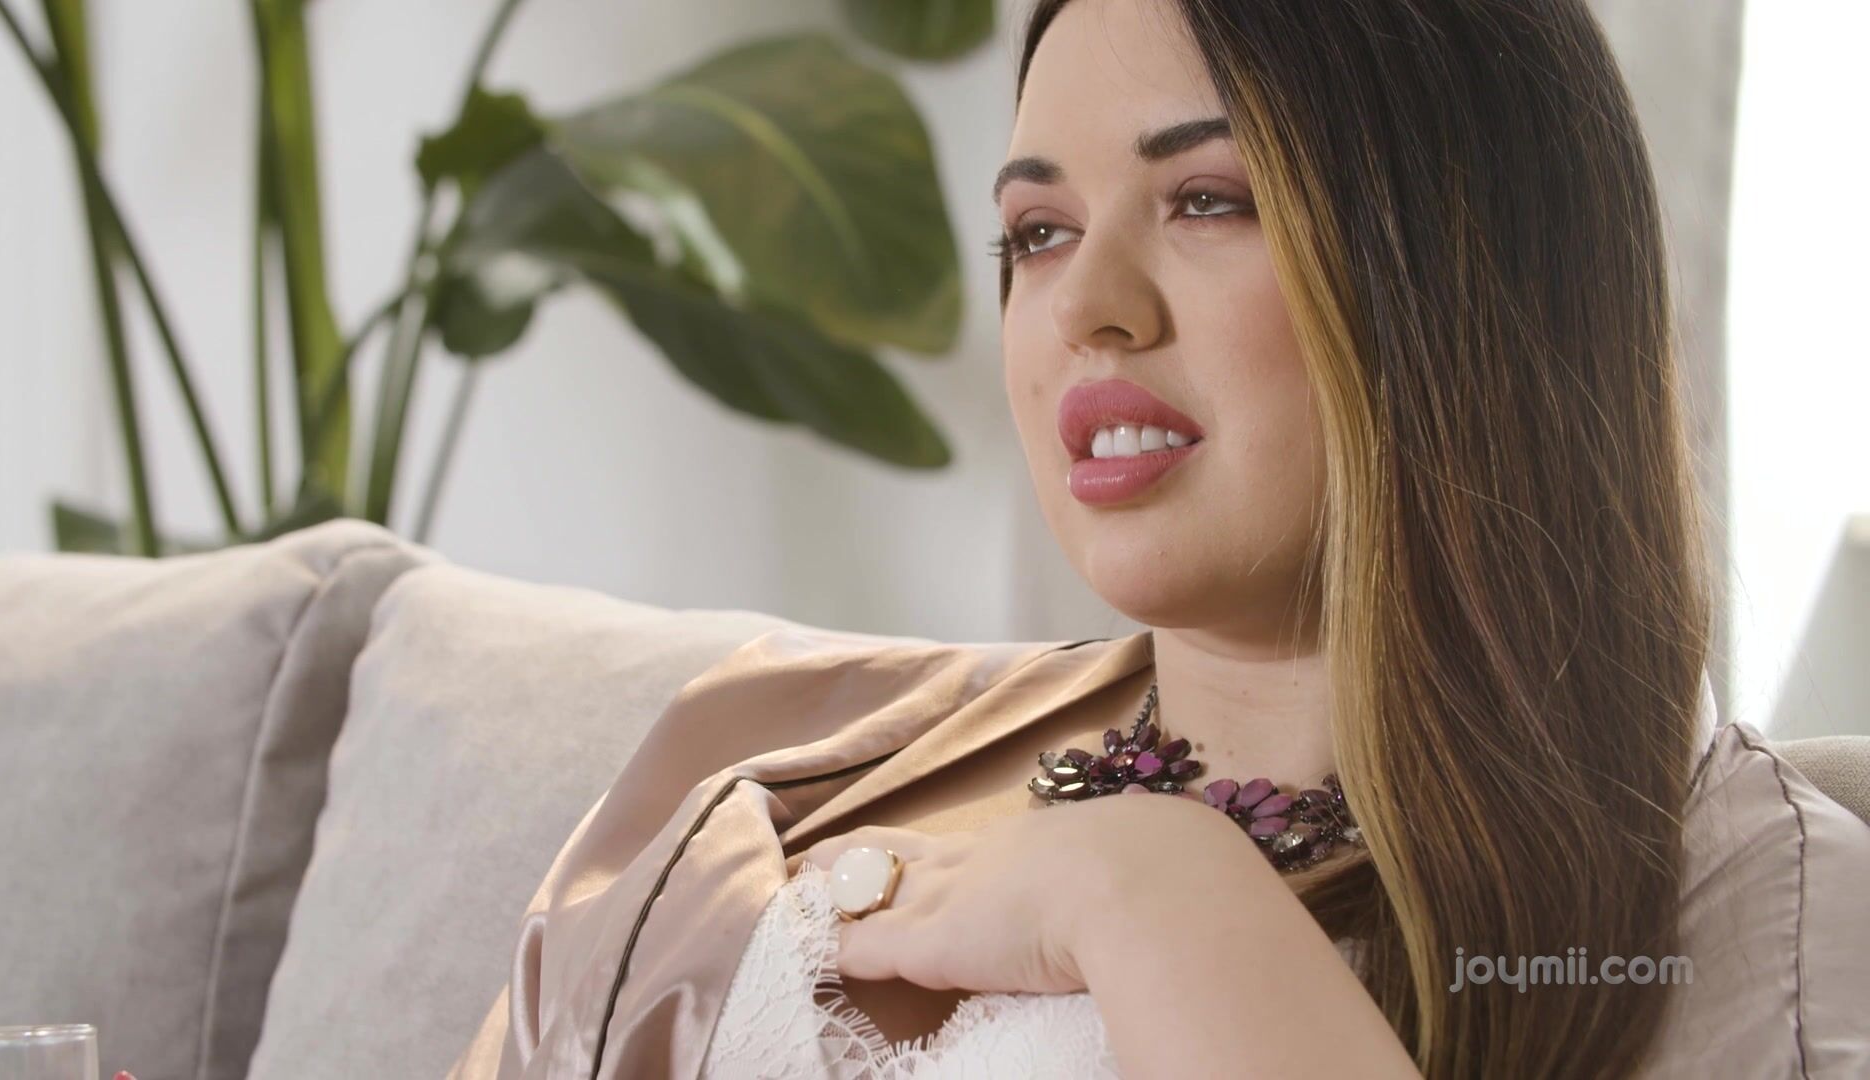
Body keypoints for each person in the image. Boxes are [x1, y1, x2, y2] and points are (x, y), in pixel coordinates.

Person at [447, 0, 1870, 1076]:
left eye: (1207, 200)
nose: (1084, 307)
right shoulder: (772, 755)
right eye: (1039, 231)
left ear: (1469, 271)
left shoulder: (1758, 917)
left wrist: (1150, 893)